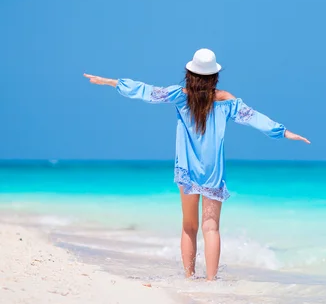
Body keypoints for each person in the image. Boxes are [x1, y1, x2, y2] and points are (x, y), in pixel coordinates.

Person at [83, 48, 309, 280]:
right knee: (211, 227)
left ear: (189, 73)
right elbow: (254, 117)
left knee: (188, 226)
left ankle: (189, 278)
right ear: (215, 77)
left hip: (187, 168)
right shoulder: (226, 100)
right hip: (213, 171)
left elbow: (147, 92)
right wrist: (284, 132)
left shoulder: (180, 96)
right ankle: (211, 281)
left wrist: (110, 82)